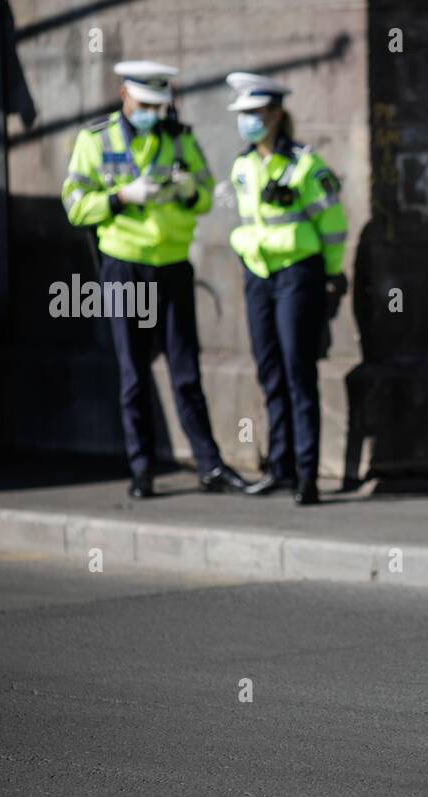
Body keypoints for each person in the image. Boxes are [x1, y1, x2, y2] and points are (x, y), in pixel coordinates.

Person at [62, 60, 249, 499]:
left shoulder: (179, 137)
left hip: (172, 266)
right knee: (133, 374)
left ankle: (209, 466)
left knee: (186, 372)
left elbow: (205, 194)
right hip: (125, 265)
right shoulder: (95, 139)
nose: (153, 113)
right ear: (124, 95)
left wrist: (188, 191)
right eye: (145, 104)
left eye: (160, 105)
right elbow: (74, 203)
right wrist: (120, 197)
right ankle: (142, 470)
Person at [224, 73, 348, 506]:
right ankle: (281, 467)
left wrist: (332, 275)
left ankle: (307, 475)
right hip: (258, 274)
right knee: (269, 371)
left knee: (299, 373)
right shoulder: (243, 166)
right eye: (243, 116)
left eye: (255, 114)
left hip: (299, 274)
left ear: (276, 115)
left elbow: (332, 225)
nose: (248, 123)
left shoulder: (304, 164)